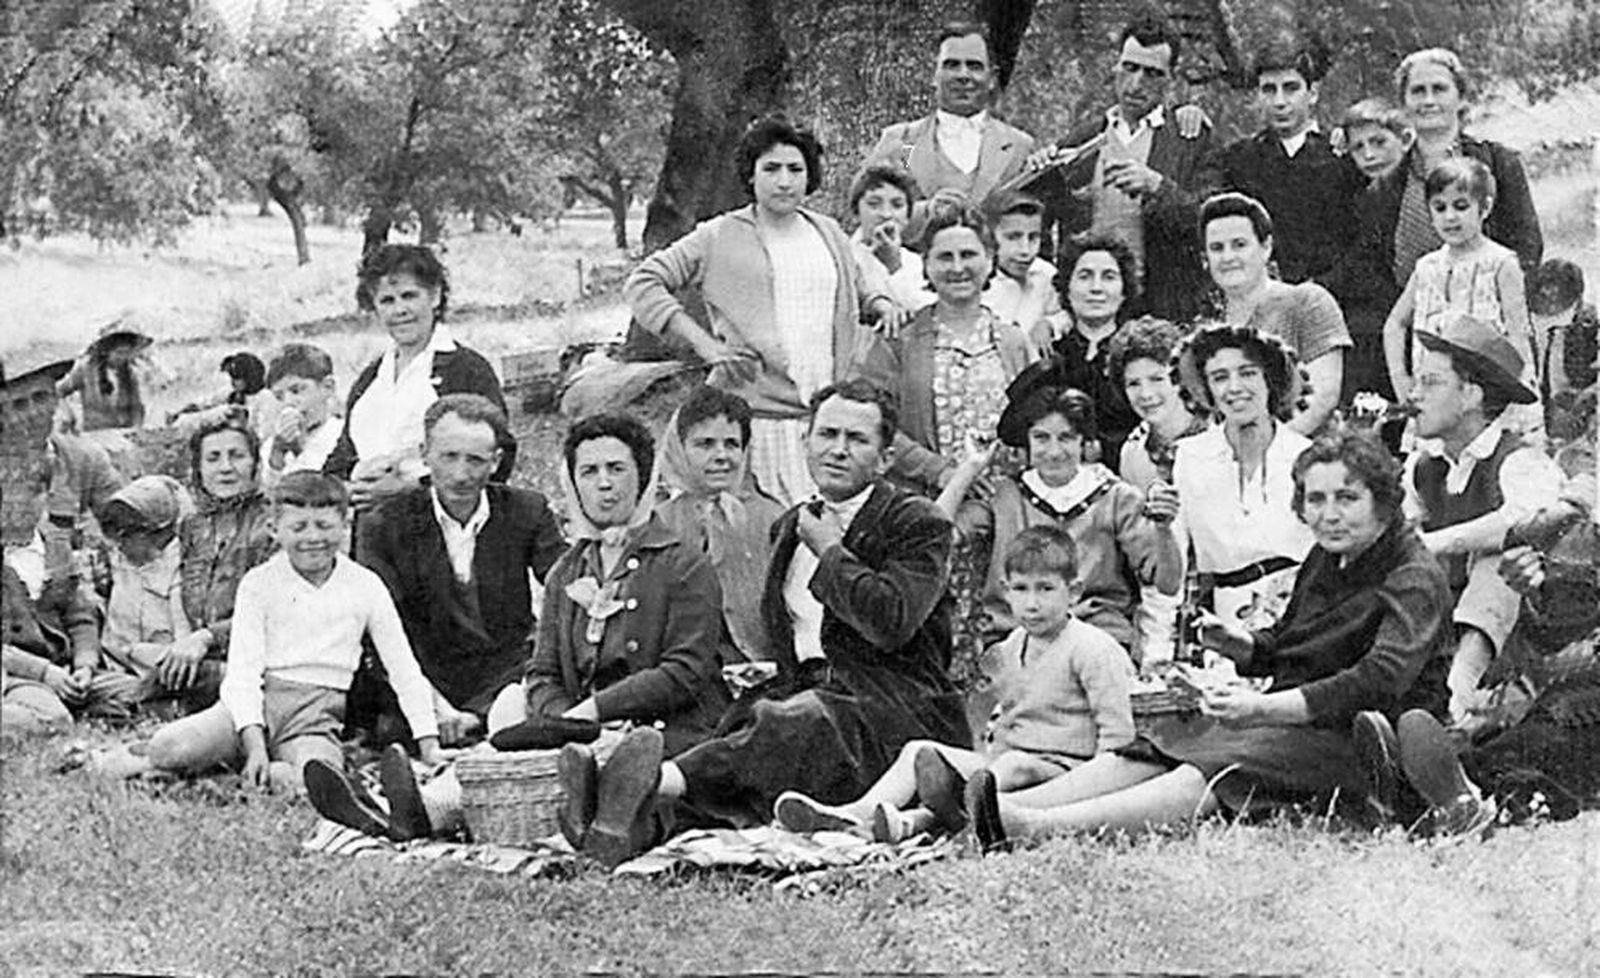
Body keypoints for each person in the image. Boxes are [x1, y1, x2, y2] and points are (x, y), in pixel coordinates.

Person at [962, 428, 1454, 848]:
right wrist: (1239, 644)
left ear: (1383, 502)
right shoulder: (1330, 555)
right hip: (1299, 721)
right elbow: (1290, 643)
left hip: (1365, 742)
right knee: (1166, 739)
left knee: (1221, 761)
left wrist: (1261, 708)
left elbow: (1378, 682)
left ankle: (1034, 826)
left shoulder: (1411, 574)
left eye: (1347, 498)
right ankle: (989, 809)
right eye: (1315, 499)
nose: (1327, 514)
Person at [555, 381, 971, 867]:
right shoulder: (790, 524)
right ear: (805, 443)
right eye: (827, 434)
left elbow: (891, 622)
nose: (837, 450)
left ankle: (635, 785)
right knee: (730, 735)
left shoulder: (917, 523)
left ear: (884, 458)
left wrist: (831, 553)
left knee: (788, 726)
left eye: (856, 440)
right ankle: (626, 827)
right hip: (804, 692)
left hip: (895, 704)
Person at [308, 411, 733, 843]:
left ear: (642, 477)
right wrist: (562, 721)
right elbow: (543, 671)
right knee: (514, 744)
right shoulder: (568, 571)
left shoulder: (683, 564)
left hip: (664, 730)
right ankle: (416, 811)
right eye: (589, 471)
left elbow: (683, 672)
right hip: (580, 728)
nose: (604, 484)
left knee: (590, 760)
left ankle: (431, 810)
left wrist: (590, 714)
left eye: (616, 469)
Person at [772, 525, 1134, 843]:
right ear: (1006, 591)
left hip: (1065, 769)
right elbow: (1005, 716)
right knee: (919, 749)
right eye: (1021, 589)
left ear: (1073, 591)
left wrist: (1085, 791)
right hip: (1005, 765)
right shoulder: (1010, 647)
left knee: (1012, 766)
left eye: (1046, 589)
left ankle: (932, 814)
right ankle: (857, 814)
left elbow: (1118, 737)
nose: (1032, 603)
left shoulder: (1093, 648)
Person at [625, 115, 899, 507]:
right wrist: (706, 345)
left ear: (810, 177)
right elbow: (644, 282)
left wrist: (879, 302)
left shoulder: (829, 232)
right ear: (751, 175)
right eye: (771, 169)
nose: (784, 180)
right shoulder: (718, 235)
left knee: (823, 544)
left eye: (795, 169)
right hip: (758, 420)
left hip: (824, 422)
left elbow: (856, 285)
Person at [122, 472, 444, 794]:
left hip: (315, 715)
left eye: (324, 525)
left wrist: (428, 744)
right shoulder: (259, 583)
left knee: (321, 779)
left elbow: (403, 669)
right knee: (168, 748)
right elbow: (243, 674)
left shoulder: (365, 585)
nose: (313, 538)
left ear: (345, 525)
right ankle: (233, 764)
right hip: (254, 706)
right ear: (275, 530)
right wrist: (255, 745)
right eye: (299, 527)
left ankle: (245, 776)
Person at [354, 394, 567, 744]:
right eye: (448, 457)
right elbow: (380, 629)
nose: (461, 474)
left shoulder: (526, 511)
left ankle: (483, 725)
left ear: (496, 462)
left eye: (475, 460)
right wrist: (431, 704)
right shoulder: (384, 524)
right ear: (424, 454)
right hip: (422, 673)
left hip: (504, 673)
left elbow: (564, 583)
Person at [941, 383, 1181, 659]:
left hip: (1097, 643)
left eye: (1066, 438)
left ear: (1084, 441)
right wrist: (970, 468)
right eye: (1041, 438)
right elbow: (935, 536)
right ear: (1027, 441)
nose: (1054, 451)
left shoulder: (1116, 498)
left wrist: (1163, 529)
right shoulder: (1003, 496)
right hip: (1015, 644)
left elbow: (1167, 583)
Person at [1400, 313, 1561, 724]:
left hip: (1527, 635)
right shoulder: (1424, 467)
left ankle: (1454, 699)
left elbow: (1527, 521)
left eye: (1430, 382)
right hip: (1441, 627)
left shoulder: (1519, 459)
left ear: (1471, 395)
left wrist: (1441, 541)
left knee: (1502, 558)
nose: (1413, 395)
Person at [1026, 13, 1220, 323]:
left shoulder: (1190, 139)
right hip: (1089, 312)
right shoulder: (1082, 139)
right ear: (1115, 66)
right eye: (1129, 68)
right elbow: (1037, 220)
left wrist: (1159, 186)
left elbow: (1211, 221)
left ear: (1171, 79)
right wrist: (1039, 177)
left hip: (1162, 310)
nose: (1136, 84)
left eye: (1152, 74)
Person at [853, 201, 1035, 492]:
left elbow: (1038, 423)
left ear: (989, 259)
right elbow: (871, 422)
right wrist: (941, 473)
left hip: (1006, 500)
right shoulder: (899, 340)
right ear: (926, 264)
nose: (958, 267)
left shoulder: (1015, 343)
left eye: (968, 255)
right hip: (923, 499)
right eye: (945, 257)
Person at [323, 244, 511, 512]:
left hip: (437, 527)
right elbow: (340, 459)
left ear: (434, 296)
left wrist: (413, 488)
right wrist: (347, 484)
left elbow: (498, 458)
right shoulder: (370, 378)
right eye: (387, 300)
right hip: (371, 533)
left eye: (409, 296)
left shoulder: (467, 370)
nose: (399, 310)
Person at [1171, 326, 1315, 627]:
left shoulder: (1307, 456)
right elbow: (1175, 567)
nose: (1234, 387)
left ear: (1269, 380)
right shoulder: (1189, 457)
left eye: (1247, 373)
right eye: (1220, 377)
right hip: (1227, 620)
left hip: (1304, 612)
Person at [1382, 157, 1536, 414]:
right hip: (1434, 399)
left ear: (1484, 208)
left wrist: (1517, 389)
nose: (1450, 217)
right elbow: (1394, 324)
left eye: (1461, 206)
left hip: (1484, 399)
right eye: (1440, 208)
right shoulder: (1426, 267)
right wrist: (1401, 379)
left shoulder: (1500, 263)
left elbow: (1518, 333)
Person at [1216, 37, 1364, 288]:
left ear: (1313, 93)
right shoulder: (1240, 159)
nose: (1280, 102)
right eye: (1269, 90)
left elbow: (1361, 241)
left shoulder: (1343, 156)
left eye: (1291, 88)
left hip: (1334, 300)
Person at [654, 385, 786, 662]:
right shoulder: (659, 522)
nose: (721, 456)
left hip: (757, 661)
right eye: (705, 445)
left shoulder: (771, 517)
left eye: (731, 444)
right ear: (680, 450)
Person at [1200, 192, 1350, 434]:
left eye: (1239, 245)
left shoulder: (1308, 301)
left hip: (1309, 455)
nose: (1228, 257)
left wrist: (1267, 453)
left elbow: (1323, 398)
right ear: (1205, 259)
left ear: (1266, 247)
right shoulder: (1208, 326)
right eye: (1217, 248)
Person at [862, 21, 1036, 227]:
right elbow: (867, 212)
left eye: (974, 66)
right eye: (952, 65)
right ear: (934, 75)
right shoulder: (905, 143)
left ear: (992, 78)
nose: (963, 75)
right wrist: (927, 211)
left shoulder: (1019, 147)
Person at [1107, 318, 1208, 662]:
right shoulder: (1133, 452)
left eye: (1157, 379)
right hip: (1160, 609)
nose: (1146, 394)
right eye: (1133, 383)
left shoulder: (1220, 436)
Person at [173, 416, 279, 704]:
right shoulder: (194, 526)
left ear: (255, 464)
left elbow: (274, 610)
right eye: (213, 458)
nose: (225, 468)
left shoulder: (271, 524)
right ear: (199, 469)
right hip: (203, 655)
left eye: (237, 456)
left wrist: (207, 637)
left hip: (261, 659)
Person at [1327, 99, 1413, 403]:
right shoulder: (1367, 198)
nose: (1369, 155)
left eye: (1378, 142)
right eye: (1358, 148)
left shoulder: (1418, 185)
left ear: (1405, 140)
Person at [95, 476, 205, 712]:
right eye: (115, 533)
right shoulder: (122, 565)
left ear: (156, 532)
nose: (119, 544)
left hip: (158, 670)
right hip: (115, 669)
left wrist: (132, 652)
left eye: (127, 534)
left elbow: (181, 650)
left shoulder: (183, 569)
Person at [1035, 234, 1145, 467]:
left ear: (1124, 290)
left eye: (1108, 277)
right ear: (1067, 287)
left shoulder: (1139, 356)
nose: (1096, 288)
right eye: (1085, 276)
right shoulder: (1049, 356)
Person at [847, 165, 935, 312]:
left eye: (897, 205)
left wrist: (894, 266)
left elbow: (926, 311)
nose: (886, 214)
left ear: (907, 217)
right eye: (874, 204)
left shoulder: (916, 263)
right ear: (856, 211)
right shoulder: (843, 257)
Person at [981, 192, 1062, 344]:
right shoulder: (977, 279)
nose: (1025, 250)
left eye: (1033, 237)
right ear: (990, 237)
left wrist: (1049, 324)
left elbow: (1064, 315)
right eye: (1013, 237)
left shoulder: (1045, 274)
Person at [55, 316, 153, 432]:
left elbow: (137, 407)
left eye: (127, 353)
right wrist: (68, 415)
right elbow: (59, 392)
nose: (122, 357)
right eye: (119, 353)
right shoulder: (86, 368)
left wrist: (137, 429)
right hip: (96, 435)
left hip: (122, 434)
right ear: (107, 351)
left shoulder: (130, 374)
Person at [263, 343, 342, 484]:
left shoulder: (342, 435)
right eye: (279, 396)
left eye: (297, 390)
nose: (288, 402)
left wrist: (299, 451)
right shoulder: (271, 446)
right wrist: (276, 459)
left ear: (328, 387)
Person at [1527, 259, 1598, 406]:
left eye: (1555, 299)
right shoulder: (1525, 322)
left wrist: (1586, 395)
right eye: (1543, 298)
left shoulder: (1589, 328)